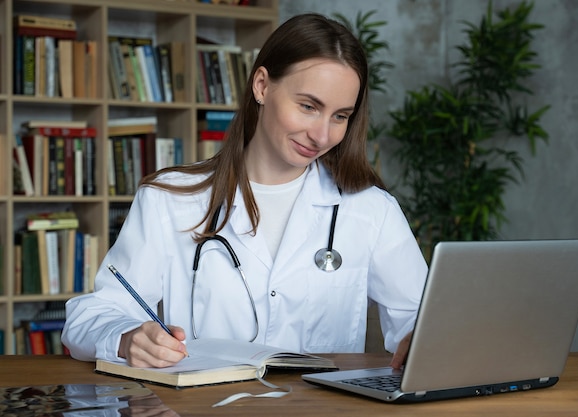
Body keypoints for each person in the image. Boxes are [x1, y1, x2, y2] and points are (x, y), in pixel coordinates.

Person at [61, 13, 428, 370]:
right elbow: (90, 316)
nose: (321, 135)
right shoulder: (169, 200)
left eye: (340, 116)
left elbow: (419, 318)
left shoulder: (371, 210)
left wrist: (421, 341)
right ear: (262, 86)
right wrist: (127, 338)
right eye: (308, 106)